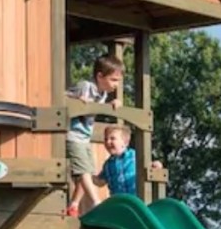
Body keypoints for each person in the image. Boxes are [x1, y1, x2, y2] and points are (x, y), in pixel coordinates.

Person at [65, 53, 124, 217]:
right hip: (73, 135)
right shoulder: (85, 86)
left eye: (118, 81)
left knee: (88, 173)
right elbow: (60, 95)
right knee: (83, 171)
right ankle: (96, 202)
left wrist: (112, 104)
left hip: (84, 138)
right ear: (100, 76)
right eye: (113, 80)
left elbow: (98, 106)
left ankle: (74, 205)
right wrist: (76, 98)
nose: (116, 85)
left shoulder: (102, 94)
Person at [93, 125, 163, 196]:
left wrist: (156, 165)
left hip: (136, 199)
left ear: (125, 142)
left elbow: (149, 166)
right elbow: (100, 181)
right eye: (106, 139)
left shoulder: (134, 156)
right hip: (118, 201)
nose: (108, 142)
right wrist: (88, 176)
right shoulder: (107, 165)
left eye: (112, 138)